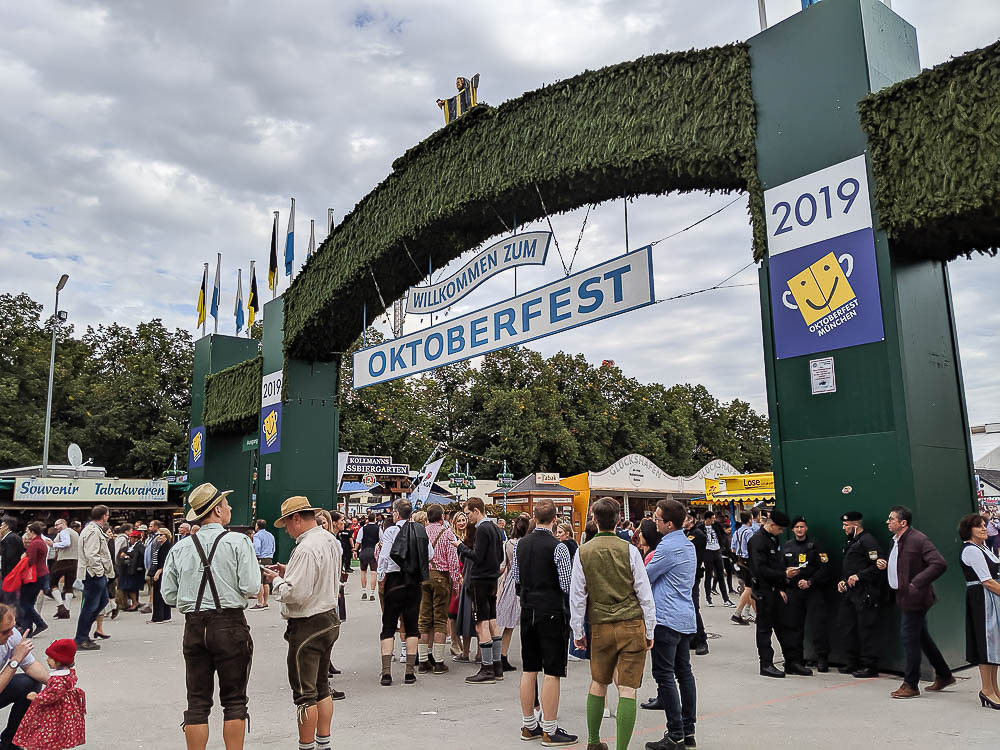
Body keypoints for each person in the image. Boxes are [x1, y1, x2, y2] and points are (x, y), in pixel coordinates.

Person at [160, 482, 259, 750]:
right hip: (230, 623)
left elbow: (168, 595)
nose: (229, 508)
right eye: (226, 504)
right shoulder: (238, 541)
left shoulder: (180, 547)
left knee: (197, 701)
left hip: (193, 626)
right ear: (217, 510)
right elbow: (251, 587)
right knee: (235, 700)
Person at [570, 498, 655, 750]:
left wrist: (577, 630)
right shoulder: (629, 550)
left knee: (598, 682)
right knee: (628, 688)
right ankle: (621, 748)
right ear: (618, 520)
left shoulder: (583, 552)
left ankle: (594, 742)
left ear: (594, 521)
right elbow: (644, 593)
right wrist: (650, 628)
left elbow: (577, 596)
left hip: (601, 625)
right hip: (631, 624)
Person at [261, 497, 342, 750]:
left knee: (305, 695)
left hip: (308, 623)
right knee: (322, 687)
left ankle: (306, 746)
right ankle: (324, 743)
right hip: (329, 616)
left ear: (296, 518)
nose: (286, 529)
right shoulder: (329, 539)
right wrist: (289, 571)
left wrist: (276, 580)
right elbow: (318, 575)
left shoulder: (306, 547)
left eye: (286, 523)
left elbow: (296, 593)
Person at [512, 499, 577, 746]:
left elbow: (517, 578)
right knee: (552, 670)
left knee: (529, 668)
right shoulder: (558, 547)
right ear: (555, 518)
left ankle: (529, 724)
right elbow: (566, 584)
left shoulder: (521, 545)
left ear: (534, 517)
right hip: (551, 609)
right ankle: (550, 728)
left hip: (527, 607)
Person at [875, 505, 953, 698]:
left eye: (891, 519)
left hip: (915, 598)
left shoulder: (918, 539)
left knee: (909, 638)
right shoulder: (897, 540)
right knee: (922, 637)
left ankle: (910, 684)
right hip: (903, 596)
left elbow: (939, 563)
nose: (888, 521)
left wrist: (916, 583)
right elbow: (902, 563)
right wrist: (886, 564)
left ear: (903, 523)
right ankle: (944, 675)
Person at [644, 499, 697, 750]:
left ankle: (675, 733)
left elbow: (645, 576)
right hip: (684, 616)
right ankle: (688, 731)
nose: (654, 522)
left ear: (668, 523)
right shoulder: (687, 545)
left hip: (666, 617)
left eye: (657, 519)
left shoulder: (668, 547)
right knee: (684, 673)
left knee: (665, 675)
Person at [376, 500, 432, 686]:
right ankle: (409, 672)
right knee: (412, 626)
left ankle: (386, 673)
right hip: (414, 582)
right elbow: (429, 554)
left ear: (396, 514)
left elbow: (384, 556)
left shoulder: (391, 531)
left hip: (395, 581)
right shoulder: (420, 531)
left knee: (389, 626)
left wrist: (380, 577)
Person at [451, 496, 504, 684]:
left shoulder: (482, 529)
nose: (468, 518)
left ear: (476, 510)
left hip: (480, 579)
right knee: (492, 620)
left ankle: (487, 667)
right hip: (492, 578)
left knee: (481, 623)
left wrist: (460, 547)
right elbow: (500, 556)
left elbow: (477, 556)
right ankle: (497, 665)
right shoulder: (496, 528)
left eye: (468, 513)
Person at [747, 510, 803, 678]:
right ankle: (766, 664)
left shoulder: (772, 538)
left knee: (785, 627)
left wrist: (781, 584)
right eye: (779, 529)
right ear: (771, 525)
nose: (780, 533)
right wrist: (783, 575)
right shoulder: (757, 541)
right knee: (764, 629)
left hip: (776, 590)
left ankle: (792, 662)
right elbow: (760, 569)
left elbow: (776, 564)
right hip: (764, 591)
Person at [11, 638, 85, 750]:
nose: (47, 660)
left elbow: (52, 695)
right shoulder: (69, 673)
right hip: (64, 709)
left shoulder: (58, 680)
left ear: (59, 661)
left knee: (47, 731)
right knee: (57, 731)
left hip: (55, 711)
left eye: (51, 658)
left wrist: (37, 697)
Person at [958, 513, 1000, 708]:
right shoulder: (971, 550)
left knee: (994, 644)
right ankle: (986, 689)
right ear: (969, 530)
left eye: (984, 525)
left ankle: (994, 687)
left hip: (992, 598)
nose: (984, 528)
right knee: (986, 642)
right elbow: (987, 581)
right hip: (982, 599)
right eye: (979, 526)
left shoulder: (984, 548)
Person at [780, 516, 831, 672]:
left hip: (813, 591)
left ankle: (822, 659)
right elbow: (780, 569)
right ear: (792, 529)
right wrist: (783, 585)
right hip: (794, 592)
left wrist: (810, 582)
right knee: (794, 627)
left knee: (818, 626)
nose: (799, 530)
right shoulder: (787, 546)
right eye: (797, 527)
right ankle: (797, 659)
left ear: (806, 528)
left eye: (802, 527)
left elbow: (825, 569)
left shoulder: (815, 546)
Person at [836, 511, 883, 678]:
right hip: (850, 593)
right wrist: (843, 580)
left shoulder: (867, 541)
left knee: (866, 629)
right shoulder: (851, 542)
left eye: (846, 525)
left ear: (855, 525)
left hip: (865, 592)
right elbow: (848, 566)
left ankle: (870, 665)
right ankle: (852, 661)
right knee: (847, 627)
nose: (844, 528)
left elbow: (878, 566)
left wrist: (860, 576)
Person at [418, 503, 461, 674]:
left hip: (423, 576)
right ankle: (438, 661)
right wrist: (456, 584)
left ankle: (422, 661)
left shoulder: (422, 532)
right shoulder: (447, 533)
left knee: (424, 618)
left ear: (428, 517)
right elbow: (453, 561)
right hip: (441, 577)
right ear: (442, 517)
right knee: (440, 619)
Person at [0, 602, 49, 750]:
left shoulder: (11, 634)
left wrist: (59, 685)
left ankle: (10, 742)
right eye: (5, 631)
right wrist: (15, 660)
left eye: (13, 627)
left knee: (30, 683)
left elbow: (30, 666)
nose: (11, 634)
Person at [74, 505, 112, 650]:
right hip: (93, 574)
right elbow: (92, 554)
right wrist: (99, 571)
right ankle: (81, 638)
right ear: (104, 516)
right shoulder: (93, 531)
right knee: (91, 606)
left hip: (94, 574)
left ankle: (83, 635)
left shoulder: (93, 530)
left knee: (102, 602)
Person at [496, 514, 530, 672]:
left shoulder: (508, 544)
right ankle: (529, 656)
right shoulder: (527, 544)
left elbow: (504, 565)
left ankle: (502, 655)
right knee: (525, 622)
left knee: (509, 623)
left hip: (510, 581)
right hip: (526, 581)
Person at [682, 513, 709, 656]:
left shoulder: (696, 535)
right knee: (689, 606)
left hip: (693, 575)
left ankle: (701, 639)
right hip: (688, 575)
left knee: (693, 607)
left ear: (690, 520)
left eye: (685, 519)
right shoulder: (687, 533)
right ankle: (693, 638)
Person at [18, 523, 50, 637]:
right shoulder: (41, 542)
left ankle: (39, 623)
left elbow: (30, 560)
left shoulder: (35, 543)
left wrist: (24, 557)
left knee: (24, 602)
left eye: (28, 532)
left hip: (35, 576)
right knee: (29, 602)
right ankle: (27, 628)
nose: (27, 534)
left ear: (33, 532)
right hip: (41, 573)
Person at [700, 511, 733, 607]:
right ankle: (708, 599)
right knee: (708, 575)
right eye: (712, 518)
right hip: (707, 552)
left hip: (717, 551)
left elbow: (722, 534)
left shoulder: (716, 525)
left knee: (720, 575)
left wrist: (722, 544)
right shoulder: (701, 528)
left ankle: (726, 599)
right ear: (707, 519)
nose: (714, 520)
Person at [48, 519, 79, 621]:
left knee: (52, 583)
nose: (56, 527)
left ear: (64, 524)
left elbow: (66, 543)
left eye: (58, 524)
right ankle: (67, 609)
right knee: (69, 586)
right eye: (55, 525)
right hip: (74, 560)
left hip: (63, 560)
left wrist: (53, 545)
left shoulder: (64, 532)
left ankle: (61, 606)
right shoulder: (75, 533)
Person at [729, 512, 756, 626]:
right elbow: (753, 548)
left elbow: (733, 549)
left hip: (740, 560)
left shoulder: (737, 532)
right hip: (748, 561)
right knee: (749, 588)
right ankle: (737, 613)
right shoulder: (749, 532)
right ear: (750, 519)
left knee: (749, 587)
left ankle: (754, 613)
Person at [148, 527, 174, 624]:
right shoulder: (162, 545)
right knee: (161, 594)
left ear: (166, 536)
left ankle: (159, 617)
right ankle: (165, 616)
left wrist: (158, 573)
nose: (158, 537)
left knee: (158, 595)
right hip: (160, 571)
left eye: (161, 535)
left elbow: (164, 562)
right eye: (158, 535)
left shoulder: (166, 547)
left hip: (161, 572)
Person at [118, 530, 145, 611]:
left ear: (136, 538)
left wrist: (126, 556)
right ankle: (134, 602)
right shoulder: (130, 546)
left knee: (132, 587)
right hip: (128, 570)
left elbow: (137, 558)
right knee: (130, 587)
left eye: (132, 537)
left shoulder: (139, 547)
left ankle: (135, 603)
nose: (130, 539)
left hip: (134, 570)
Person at [252, 519, 276, 610]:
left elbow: (257, 547)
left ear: (257, 526)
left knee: (260, 582)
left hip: (261, 559)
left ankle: (259, 603)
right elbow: (273, 548)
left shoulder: (257, 536)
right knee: (266, 583)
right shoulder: (271, 535)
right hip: (269, 559)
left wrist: (257, 558)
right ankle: (265, 602)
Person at [0, 519, 24, 608]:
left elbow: (10, 557)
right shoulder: (11, 537)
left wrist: (7, 574)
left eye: (2, 525)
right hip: (12, 571)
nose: (0, 527)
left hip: (11, 572)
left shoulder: (10, 538)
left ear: (7, 527)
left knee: (11, 597)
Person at [356, 513, 380, 601]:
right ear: (375, 519)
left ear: (367, 519)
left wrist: (354, 550)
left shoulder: (362, 529)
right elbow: (381, 541)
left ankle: (363, 591)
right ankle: (372, 593)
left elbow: (358, 541)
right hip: (373, 552)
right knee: (373, 572)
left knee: (363, 572)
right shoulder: (378, 529)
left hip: (364, 551)